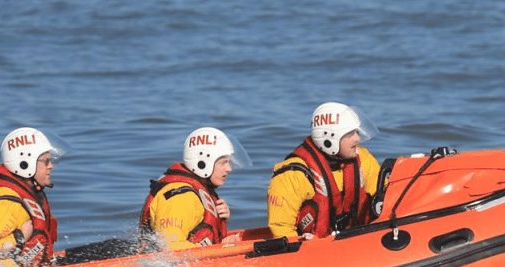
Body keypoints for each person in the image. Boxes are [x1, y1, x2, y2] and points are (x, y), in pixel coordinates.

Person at [266, 101, 381, 239]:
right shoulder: (293, 175)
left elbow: (386, 194)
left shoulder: (364, 160)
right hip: (312, 249)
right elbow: (281, 229)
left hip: (356, 239)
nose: (357, 138)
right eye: (350, 134)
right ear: (328, 138)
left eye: (356, 132)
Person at [0, 126, 64, 267]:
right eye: (46, 161)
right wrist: (19, 237)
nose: (51, 166)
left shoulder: (25, 194)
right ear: (25, 163)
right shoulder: (4, 202)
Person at [139, 126, 250, 250]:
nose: (229, 168)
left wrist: (222, 225)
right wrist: (221, 249)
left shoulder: (198, 194)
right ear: (202, 163)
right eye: (223, 162)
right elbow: (169, 249)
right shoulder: (181, 199)